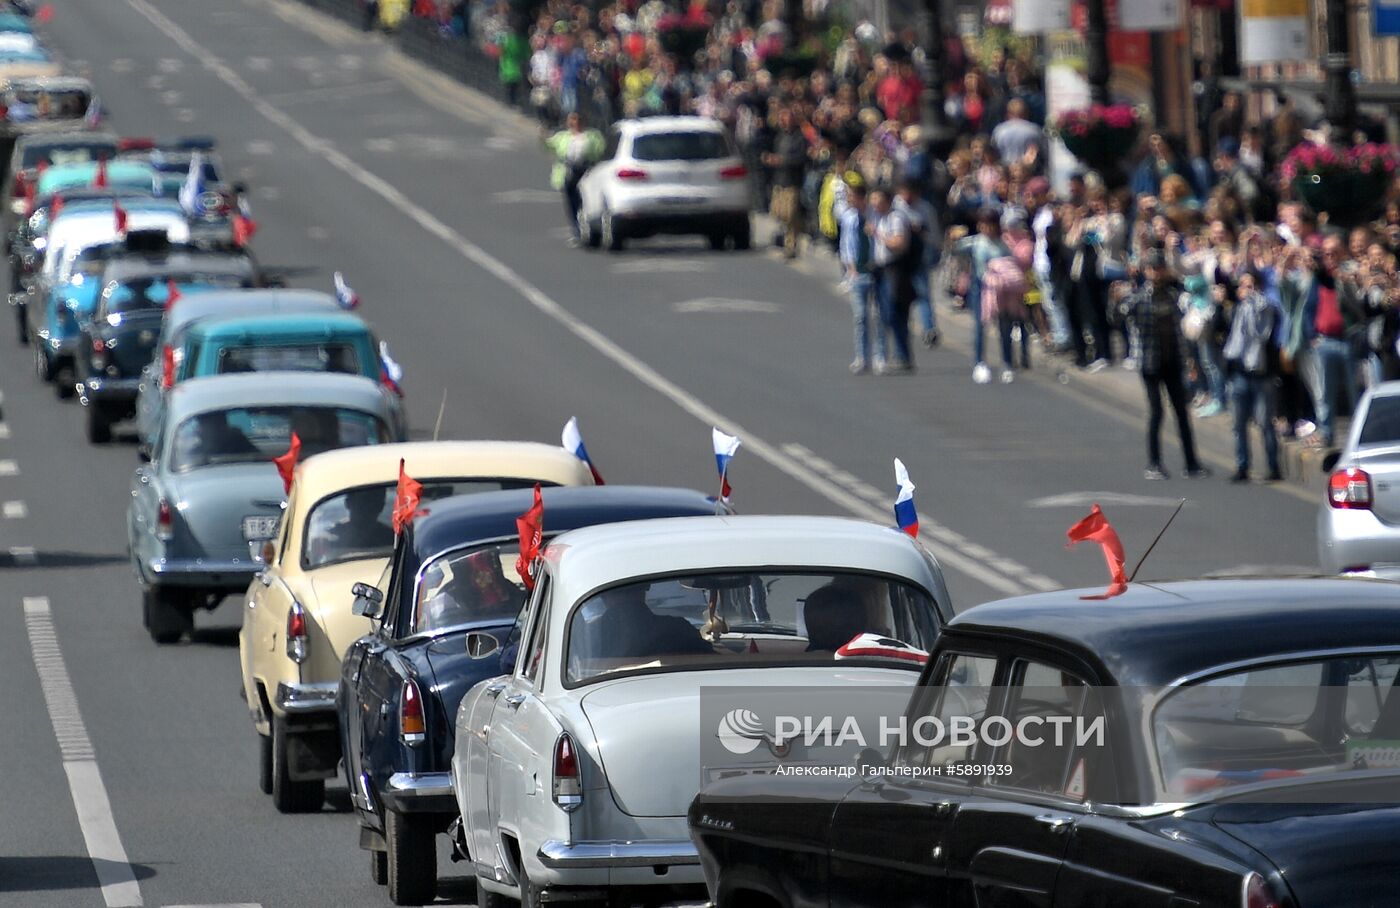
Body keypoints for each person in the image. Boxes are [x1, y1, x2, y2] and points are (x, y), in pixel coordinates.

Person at [1126, 249, 1210, 480]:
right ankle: (1154, 463)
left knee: (1182, 413)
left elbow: (1183, 326)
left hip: (1172, 361)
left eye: (1160, 268)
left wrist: (1188, 360)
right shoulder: (1140, 297)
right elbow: (1120, 314)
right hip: (1150, 363)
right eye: (1152, 268)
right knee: (1156, 412)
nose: (1157, 273)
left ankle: (1191, 463)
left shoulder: (1174, 295)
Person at [1223, 271, 1282, 482]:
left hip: (1262, 375)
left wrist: (1255, 298)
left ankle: (1273, 466)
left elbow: (1262, 330)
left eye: (1249, 286)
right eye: (1241, 286)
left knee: (1265, 423)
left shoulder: (1266, 308)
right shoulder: (1237, 311)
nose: (1244, 290)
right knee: (1238, 424)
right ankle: (1242, 466)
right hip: (1240, 374)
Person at [838, 178, 884, 374]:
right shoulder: (848, 218)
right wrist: (850, 268)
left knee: (879, 316)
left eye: (852, 196)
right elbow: (845, 244)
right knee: (860, 317)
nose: (849, 200)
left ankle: (879, 357)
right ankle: (861, 357)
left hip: (876, 271)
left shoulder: (875, 216)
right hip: (857, 273)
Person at [870, 188, 918, 373]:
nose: (875, 204)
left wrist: (879, 235)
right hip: (880, 269)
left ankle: (904, 354)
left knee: (894, 312)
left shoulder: (895, 218)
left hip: (894, 269)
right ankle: (896, 354)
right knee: (884, 312)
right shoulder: (877, 217)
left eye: (878, 200)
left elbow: (899, 242)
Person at [543, 112, 603, 247]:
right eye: (572, 119)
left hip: (587, 173)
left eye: (578, 119)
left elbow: (600, 151)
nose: (575, 122)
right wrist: (542, 137)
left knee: (588, 204)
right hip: (569, 174)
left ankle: (592, 233)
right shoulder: (562, 137)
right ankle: (577, 233)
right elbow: (548, 146)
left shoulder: (593, 136)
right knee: (572, 204)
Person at [763, 106, 808, 258]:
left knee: (790, 215)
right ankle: (791, 233)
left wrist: (782, 161)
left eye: (786, 117)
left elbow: (801, 159)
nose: (783, 121)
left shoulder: (799, 138)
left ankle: (791, 245)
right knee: (778, 212)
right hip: (779, 180)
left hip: (792, 181)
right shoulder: (780, 136)